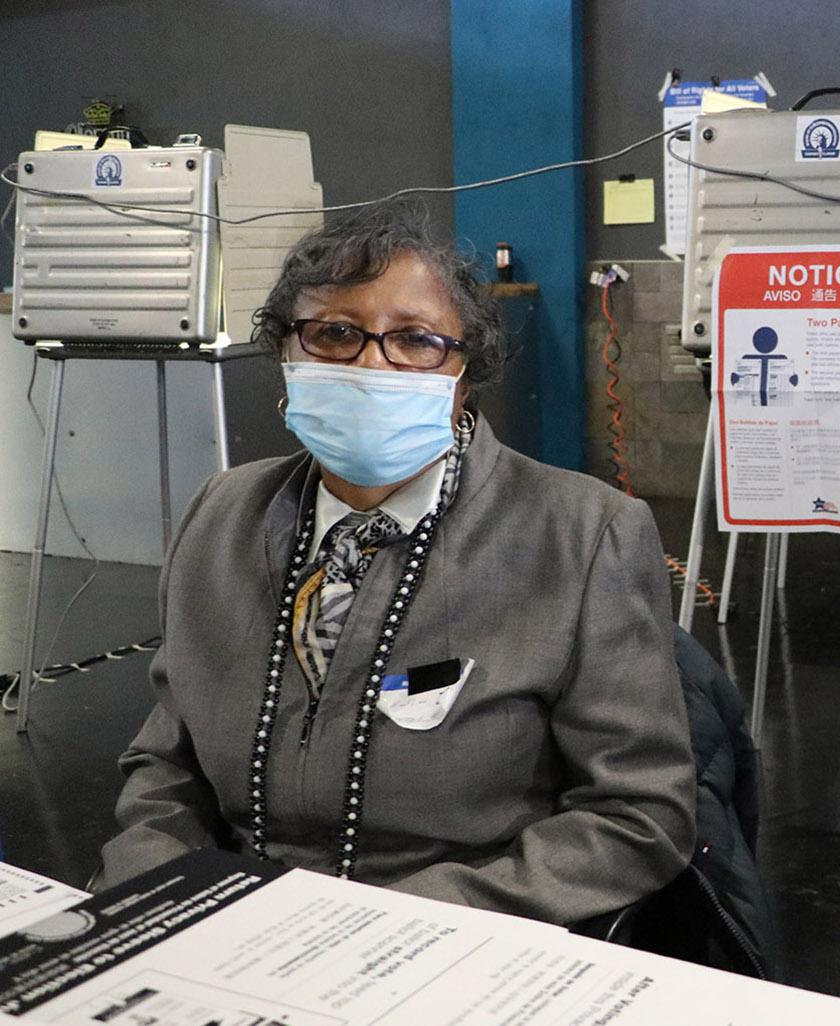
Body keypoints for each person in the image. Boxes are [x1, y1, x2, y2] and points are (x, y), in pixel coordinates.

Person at [95, 206, 697, 928]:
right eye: (335, 334)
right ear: (286, 354)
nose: (370, 365)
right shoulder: (221, 516)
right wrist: (158, 899)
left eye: (414, 340)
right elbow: (166, 765)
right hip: (226, 930)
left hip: (452, 942)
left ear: (464, 371)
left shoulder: (581, 534)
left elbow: (637, 814)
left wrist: (394, 927)